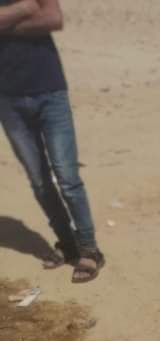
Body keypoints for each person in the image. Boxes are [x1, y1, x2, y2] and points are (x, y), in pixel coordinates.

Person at [0, 0, 104, 282]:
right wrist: (25, 9)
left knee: (67, 178)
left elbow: (53, 19)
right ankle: (68, 245)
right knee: (39, 181)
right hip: (7, 100)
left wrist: (4, 23)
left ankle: (89, 250)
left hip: (50, 92)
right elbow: (34, 10)